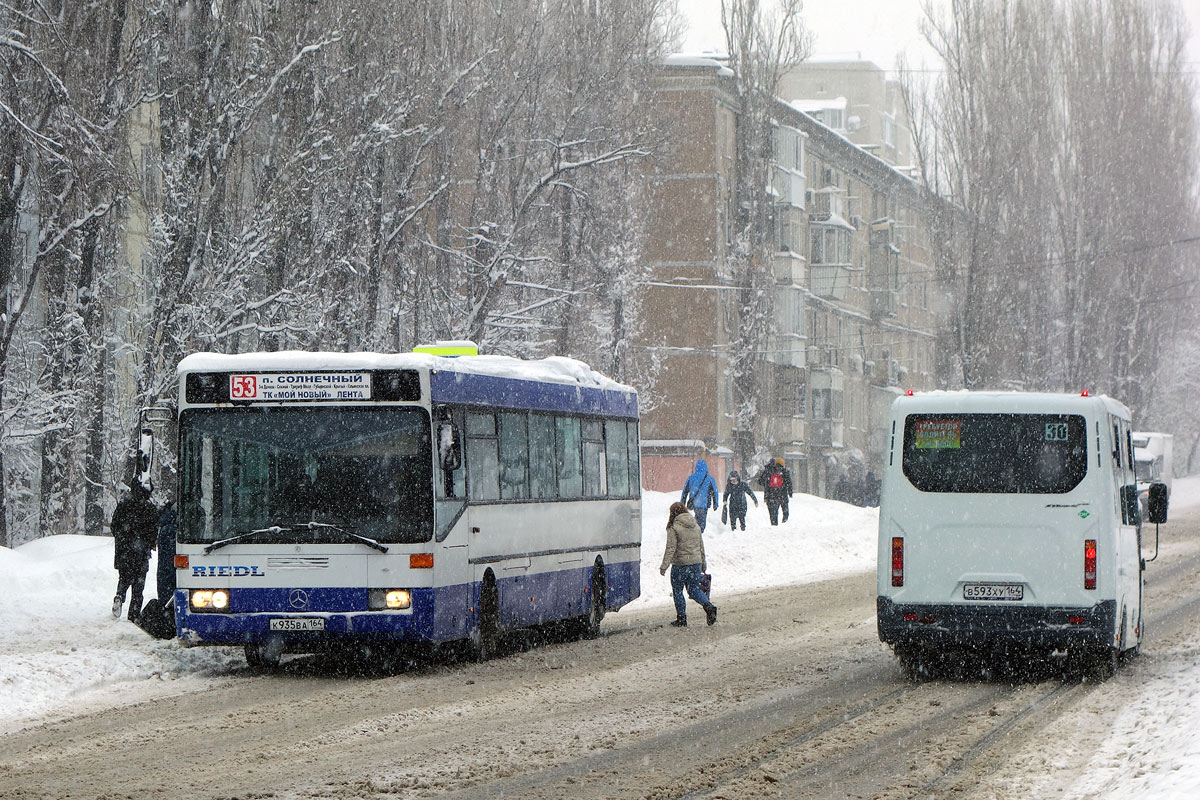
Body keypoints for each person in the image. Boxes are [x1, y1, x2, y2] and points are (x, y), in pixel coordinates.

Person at [659, 502, 717, 626]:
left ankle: (682, 618)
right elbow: (701, 546)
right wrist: (703, 564)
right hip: (695, 563)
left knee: (678, 591)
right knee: (694, 590)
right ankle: (709, 607)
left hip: (680, 564)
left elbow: (671, 548)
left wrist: (664, 566)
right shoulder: (695, 525)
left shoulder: (674, 527)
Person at [110, 481, 160, 622]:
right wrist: (149, 542)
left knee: (124, 577)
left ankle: (119, 595)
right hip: (141, 552)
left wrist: (123, 539)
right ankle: (134, 613)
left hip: (124, 551)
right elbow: (153, 529)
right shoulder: (149, 508)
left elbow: (114, 527)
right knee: (139, 584)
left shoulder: (123, 506)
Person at [680, 458, 719, 532]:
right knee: (702, 521)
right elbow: (715, 492)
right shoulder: (710, 478)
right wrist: (715, 504)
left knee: (697, 517)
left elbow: (685, 491)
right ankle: (699, 534)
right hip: (704, 504)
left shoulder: (691, 478)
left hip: (694, 503)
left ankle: (695, 532)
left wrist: (682, 502)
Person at [756, 457, 794, 526]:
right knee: (785, 512)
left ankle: (774, 525)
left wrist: (766, 496)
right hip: (783, 495)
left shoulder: (769, 471)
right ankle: (784, 524)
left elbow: (762, 482)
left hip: (772, 496)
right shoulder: (784, 471)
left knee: (773, 513)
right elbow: (789, 483)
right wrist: (790, 492)